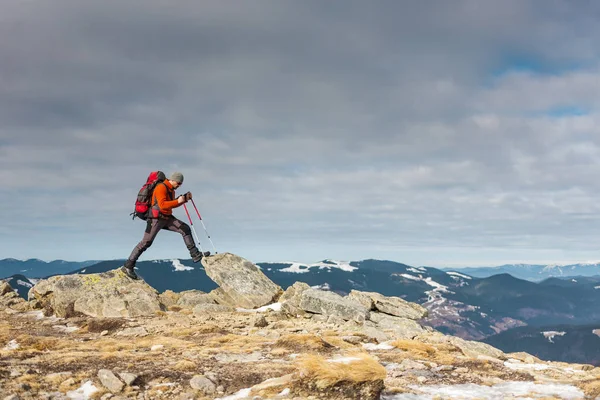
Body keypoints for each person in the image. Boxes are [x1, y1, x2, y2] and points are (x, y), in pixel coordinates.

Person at [122, 172, 209, 280]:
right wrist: (178, 200)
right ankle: (128, 266)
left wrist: (184, 199)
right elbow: (162, 205)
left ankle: (195, 254)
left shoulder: (171, 189)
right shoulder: (161, 188)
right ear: (172, 180)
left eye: (180, 184)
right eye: (178, 183)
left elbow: (171, 204)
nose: (179, 185)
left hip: (166, 217)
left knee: (185, 228)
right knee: (146, 242)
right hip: (156, 219)